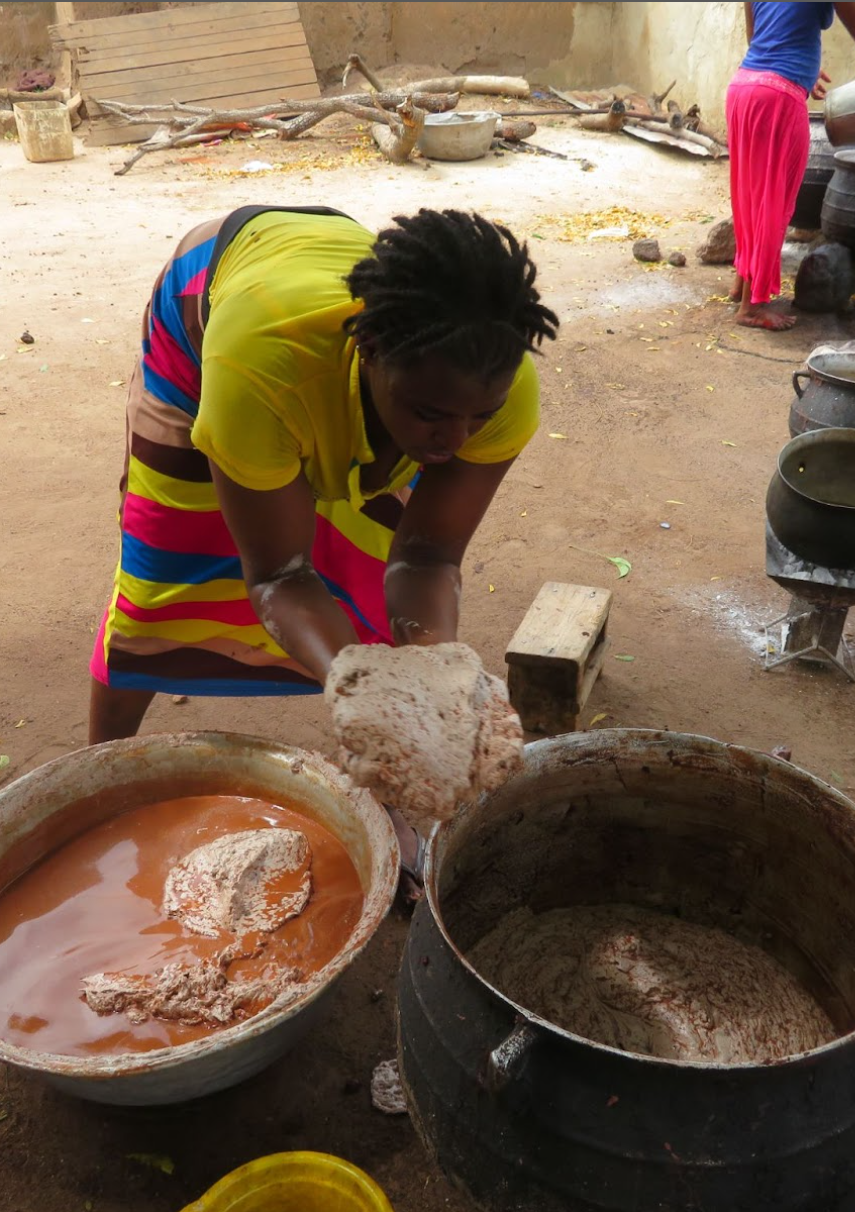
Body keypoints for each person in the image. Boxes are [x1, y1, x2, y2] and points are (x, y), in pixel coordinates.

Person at [87, 206, 558, 877]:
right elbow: (279, 575)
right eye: (430, 415)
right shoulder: (262, 367)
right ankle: (94, 781)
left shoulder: (494, 389)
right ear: (368, 352)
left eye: (476, 418)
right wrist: (363, 689)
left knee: (365, 575)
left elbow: (427, 558)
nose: (454, 442)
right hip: (215, 318)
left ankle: (386, 807)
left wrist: (433, 686)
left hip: (330, 333)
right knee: (165, 581)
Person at [727, 2, 855, 330]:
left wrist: (805, 67)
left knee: (750, 195)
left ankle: (744, 283)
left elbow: (756, 35)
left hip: (744, 88)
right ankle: (752, 307)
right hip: (777, 97)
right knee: (774, 201)